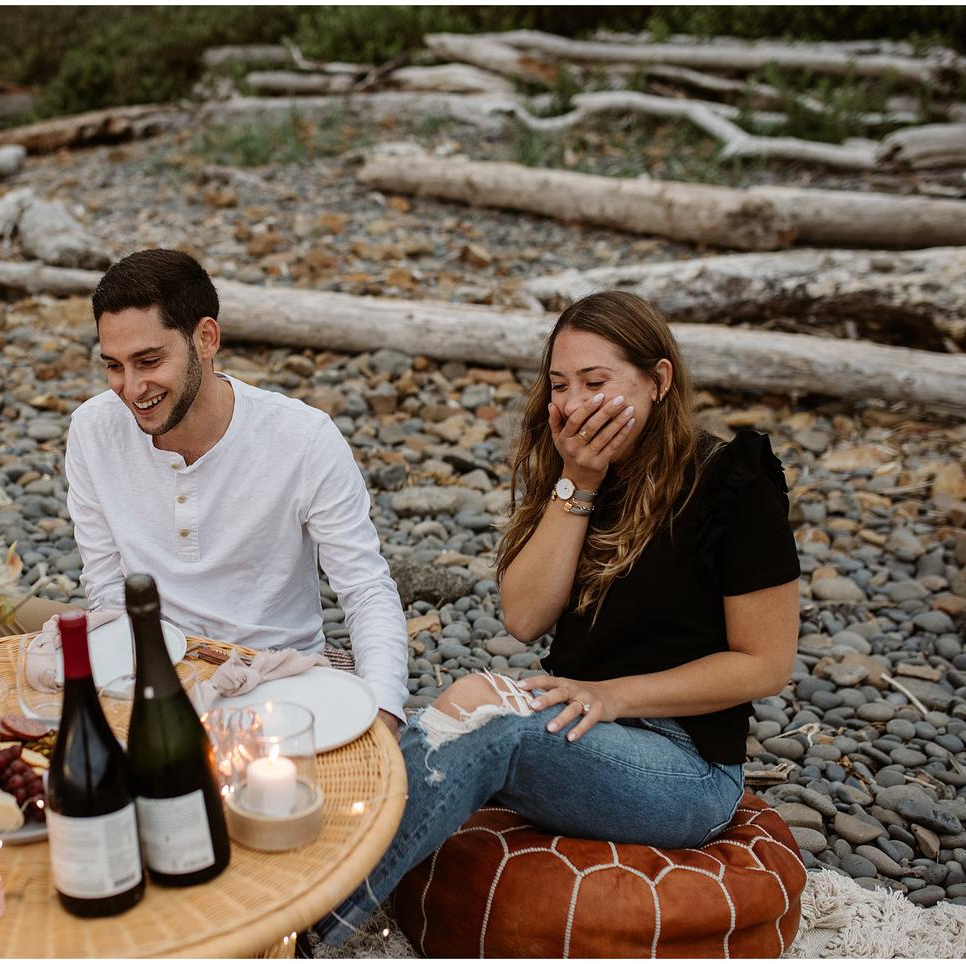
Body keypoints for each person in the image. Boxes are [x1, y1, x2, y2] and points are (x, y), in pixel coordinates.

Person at [314, 290, 800, 945]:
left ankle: (309, 926)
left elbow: (765, 664)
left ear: (658, 380)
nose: (572, 405)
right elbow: (523, 616)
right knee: (447, 707)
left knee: (488, 724)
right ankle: (306, 869)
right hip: (581, 722)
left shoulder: (735, 486)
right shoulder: (577, 465)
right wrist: (578, 481)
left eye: (595, 383)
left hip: (686, 766)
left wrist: (614, 695)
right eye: (560, 385)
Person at [62, 249, 408, 736]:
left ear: (206, 338)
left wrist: (385, 709)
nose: (132, 388)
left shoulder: (304, 438)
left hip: (277, 681)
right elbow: (105, 587)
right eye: (114, 366)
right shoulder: (92, 429)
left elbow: (366, 588)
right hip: (151, 671)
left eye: (149, 361)